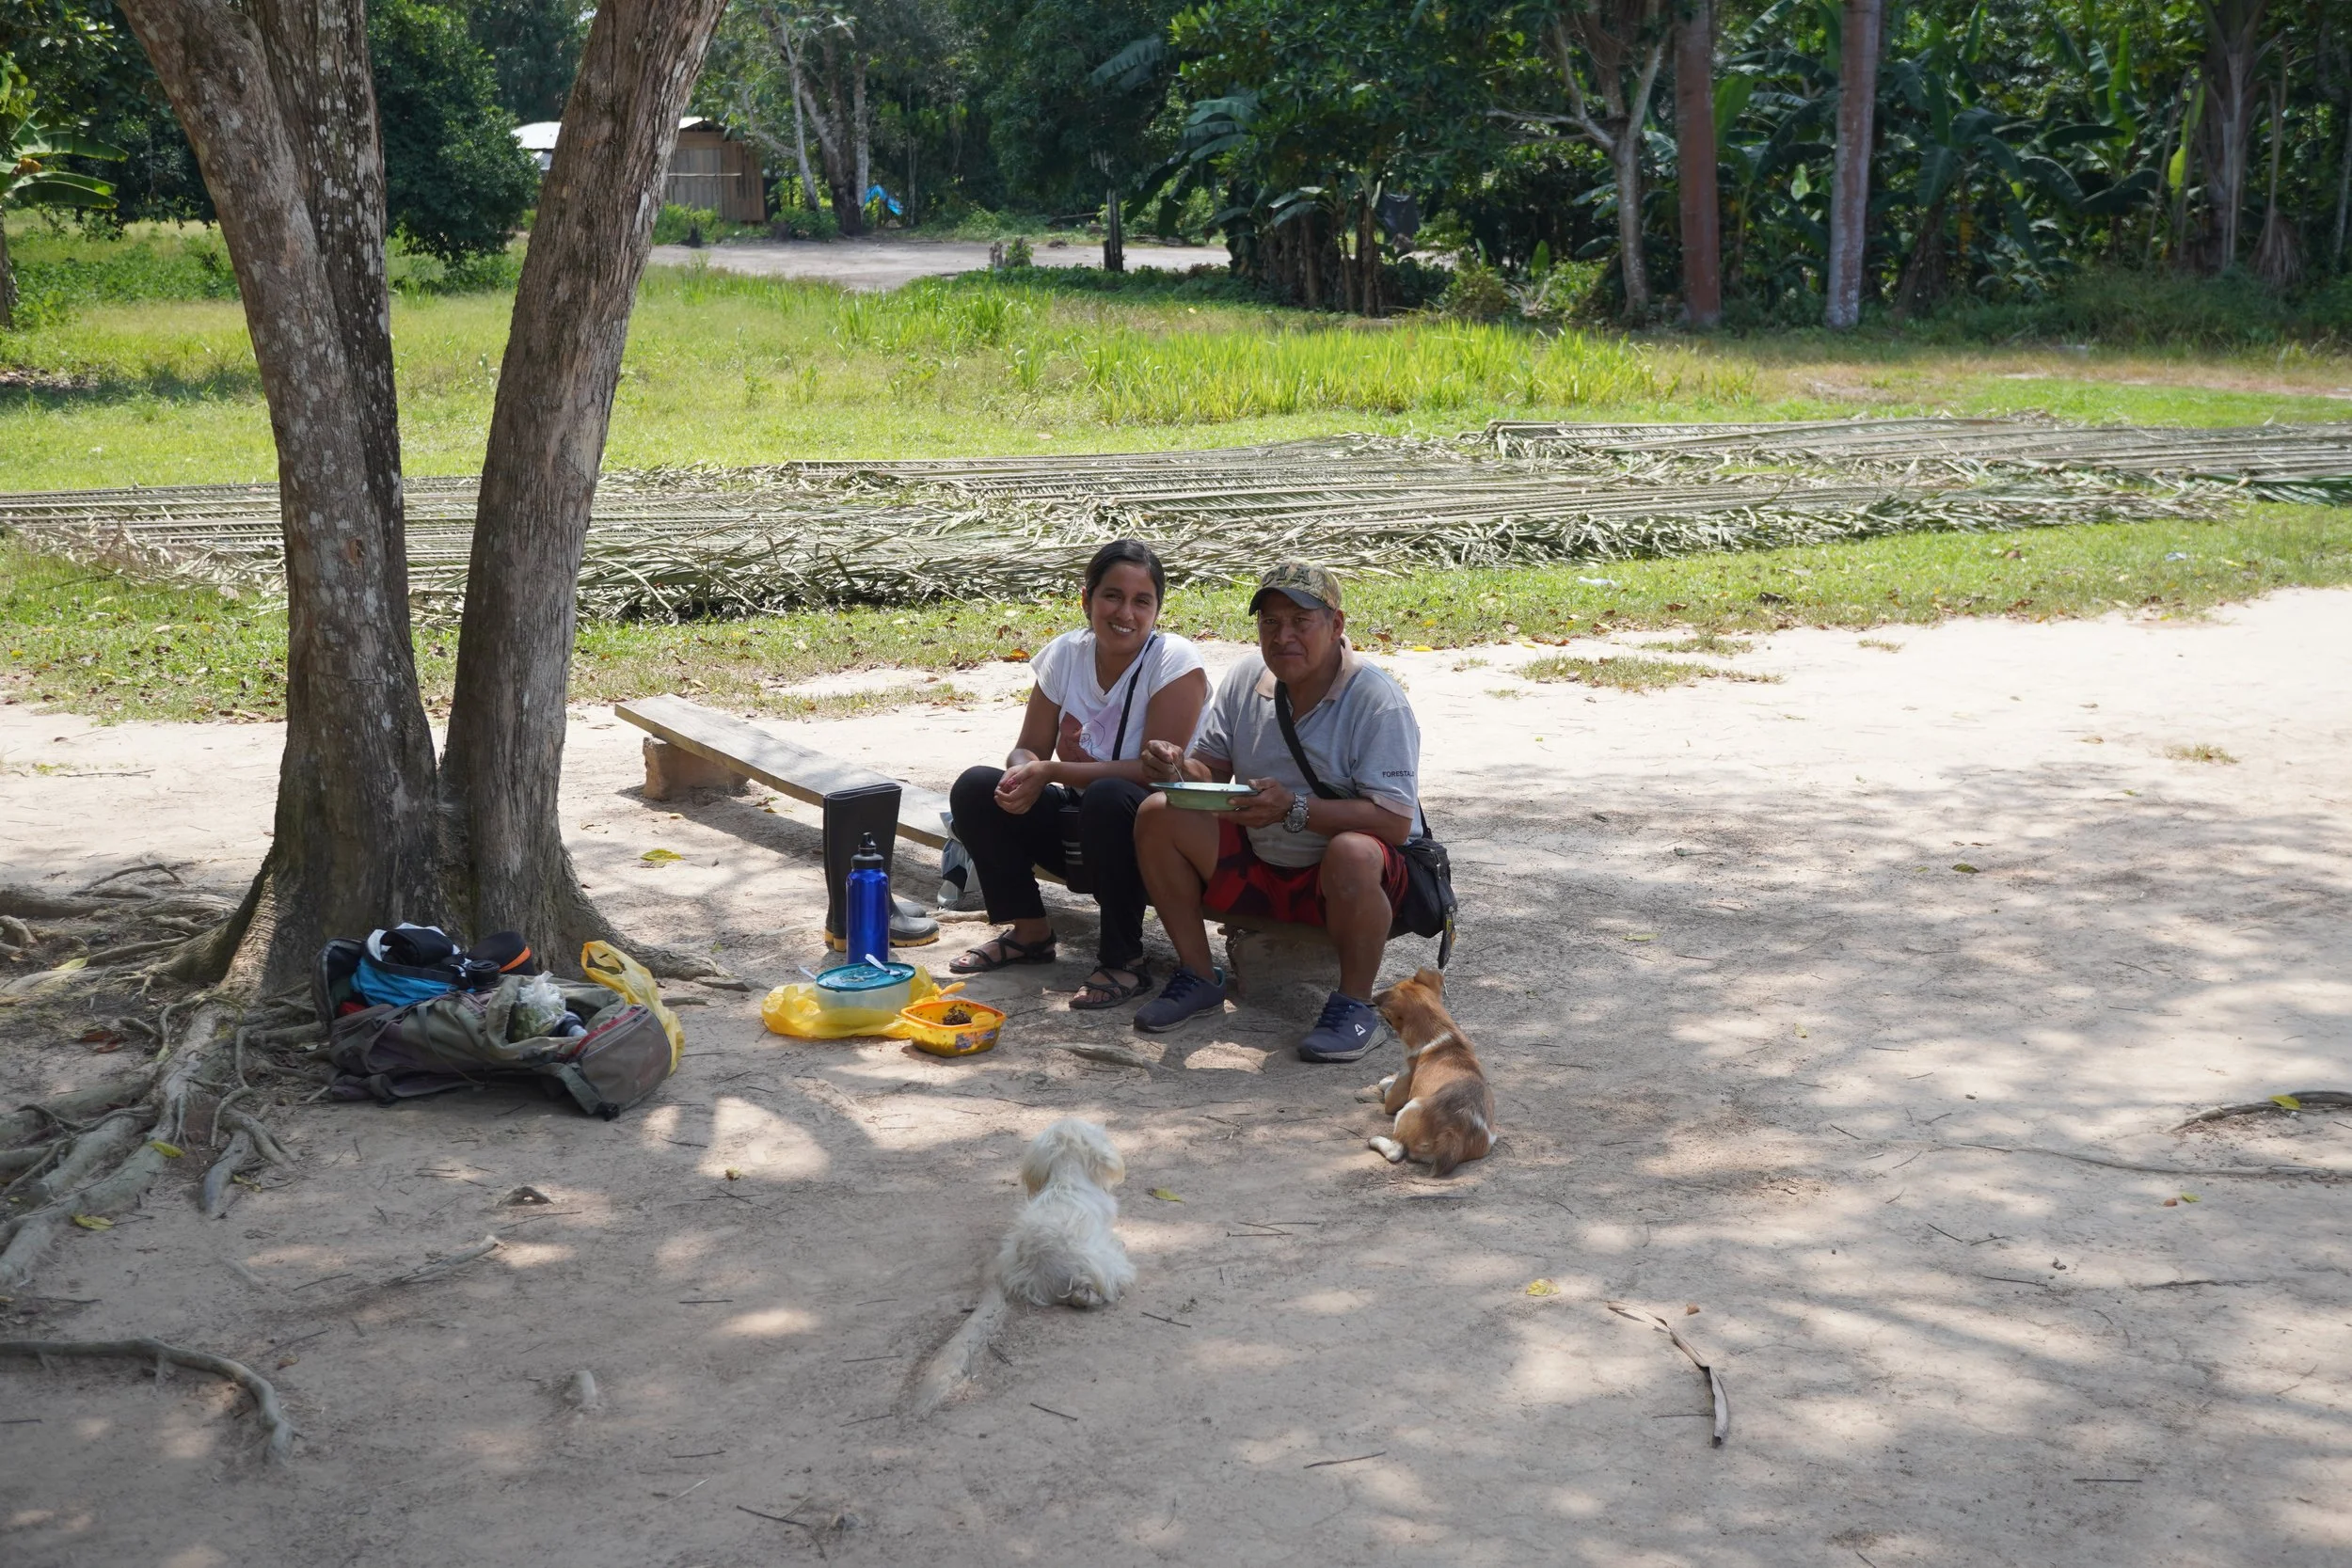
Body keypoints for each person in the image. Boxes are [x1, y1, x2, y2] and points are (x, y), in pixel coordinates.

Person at [1132, 562, 1421, 1062]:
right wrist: (1177, 764)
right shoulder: (1247, 677)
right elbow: (1209, 768)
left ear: (1336, 625)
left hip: (1341, 880)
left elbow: (1394, 822)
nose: (1283, 636)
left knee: (1353, 852)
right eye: (1270, 623)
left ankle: (1355, 1007)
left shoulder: (1377, 700)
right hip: (1260, 861)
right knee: (1158, 811)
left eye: (1300, 621)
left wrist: (1296, 810)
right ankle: (1199, 975)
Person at [946, 540, 1209, 1008]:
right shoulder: (1066, 653)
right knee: (976, 787)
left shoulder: (1175, 662)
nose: (1124, 612)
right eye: (1112, 596)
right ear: (1086, 599)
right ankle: (1030, 932)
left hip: (1147, 842)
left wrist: (1051, 770)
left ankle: (1124, 960)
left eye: (1141, 601)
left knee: (1110, 794)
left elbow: (1157, 775)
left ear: (1156, 611)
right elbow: (1028, 745)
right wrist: (1022, 775)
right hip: (1080, 829)